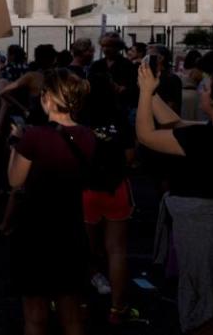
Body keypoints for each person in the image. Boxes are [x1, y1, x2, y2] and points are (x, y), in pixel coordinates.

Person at [136, 65, 213, 335]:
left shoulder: (203, 138)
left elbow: (146, 135)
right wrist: (151, 93)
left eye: (205, 89)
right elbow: (177, 124)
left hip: (203, 234)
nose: (201, 92)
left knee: (203, 312)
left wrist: (144, 95)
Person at [7, 68, 95, 335]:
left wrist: (15, 143)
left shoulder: (33, 136)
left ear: (47, 98)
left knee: (35, 315)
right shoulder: (88, 136)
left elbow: (14, 180)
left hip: (36, 229)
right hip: (71, 227)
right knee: (71, 314)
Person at [77, 72, 139, 325]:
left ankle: (79, 306)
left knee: (83, 249)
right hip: (115, 187)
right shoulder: (120, 116)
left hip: (85, 188)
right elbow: (130, 156)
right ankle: (117, 308)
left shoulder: (78, 117)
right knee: (117, 251)